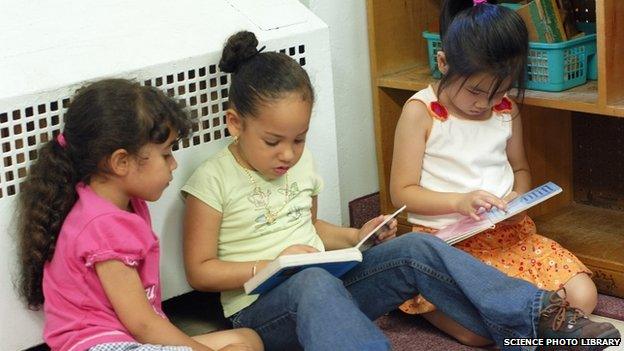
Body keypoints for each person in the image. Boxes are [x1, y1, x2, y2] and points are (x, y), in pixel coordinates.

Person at [181, 30, 619, 351]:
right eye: (273, 142)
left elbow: (311, 226)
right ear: (235, 123)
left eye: (299, 139)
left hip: (326, 286)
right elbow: (200, 271)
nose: (288, 154)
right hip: (262, 310)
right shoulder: (211, 180)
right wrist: (274, 263)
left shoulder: (301, 164)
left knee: (414, 249)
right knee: (312, 280)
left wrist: (357, 237)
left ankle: (540, 319)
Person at [389, 0, 602, 346]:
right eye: (475, 91)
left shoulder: (506, 111)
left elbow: (520, 169)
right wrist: (460, 202)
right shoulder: (422, 112)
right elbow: (402, 191)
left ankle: (522, 317)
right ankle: (438, 303)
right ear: (443, 63)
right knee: (480, 333)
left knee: (582, 297)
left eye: (499, 91)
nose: (484, 104)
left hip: (510, 235)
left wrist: (518, 198)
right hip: (449, 246)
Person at [17, 79, 263, 351]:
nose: (174, 164)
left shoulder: (122, 204)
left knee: (245, 340)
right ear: (121, 162)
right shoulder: (102, 225)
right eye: (166, 154)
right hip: (98, 346)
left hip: (128, 338)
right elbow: (143, 324)